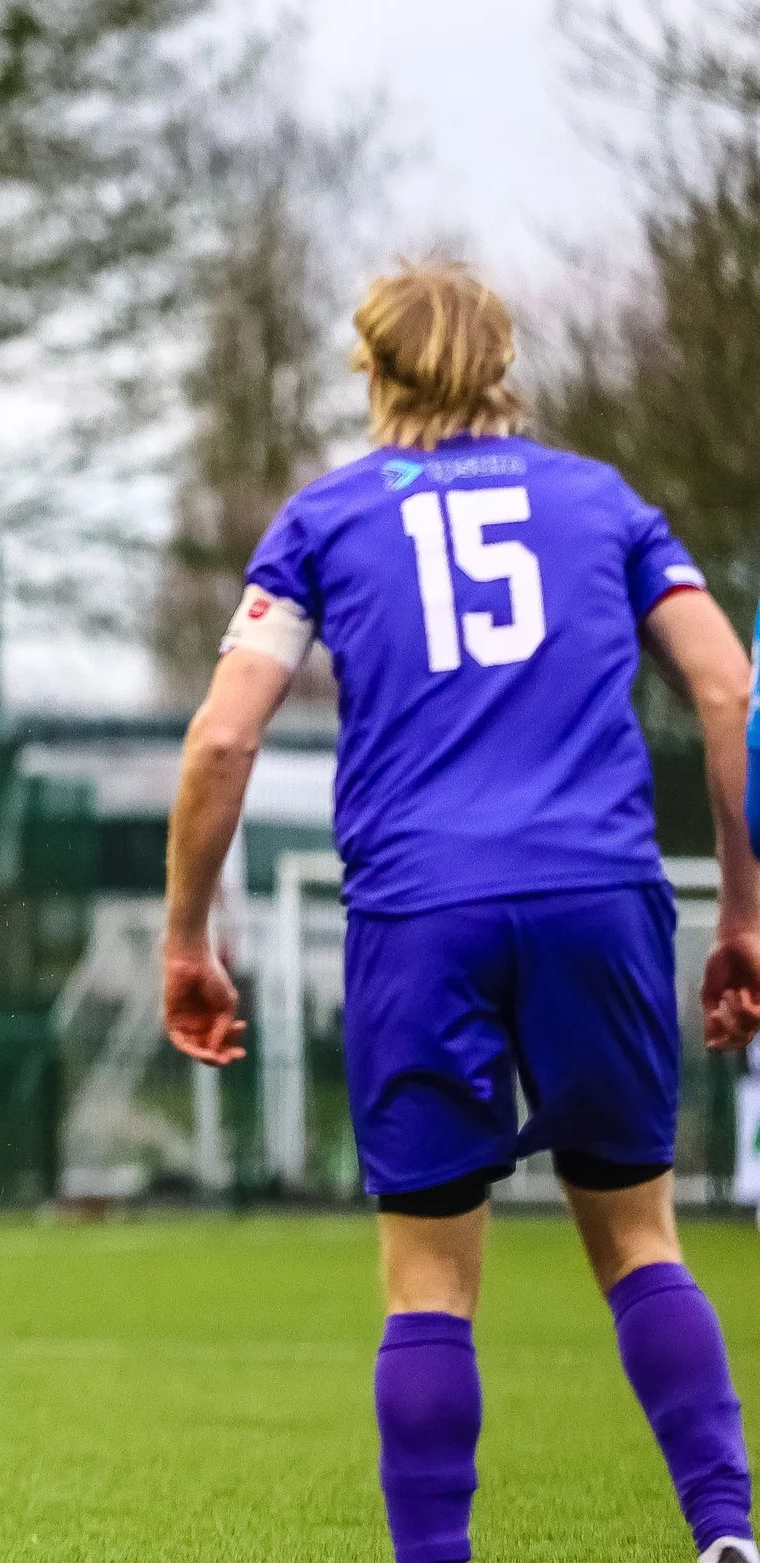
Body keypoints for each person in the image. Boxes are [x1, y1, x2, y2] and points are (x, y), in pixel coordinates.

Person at [160, 261, 760, 1563]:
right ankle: (726, 1530)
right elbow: (729, 693)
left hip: (419, 912)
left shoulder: (323, 522)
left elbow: (221, 739)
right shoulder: (603, 503)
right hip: (597, 896)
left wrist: (186, 938)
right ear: (502, 364)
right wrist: (743, 907)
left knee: (429, 1281)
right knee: (640, 1238)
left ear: (372, 372)